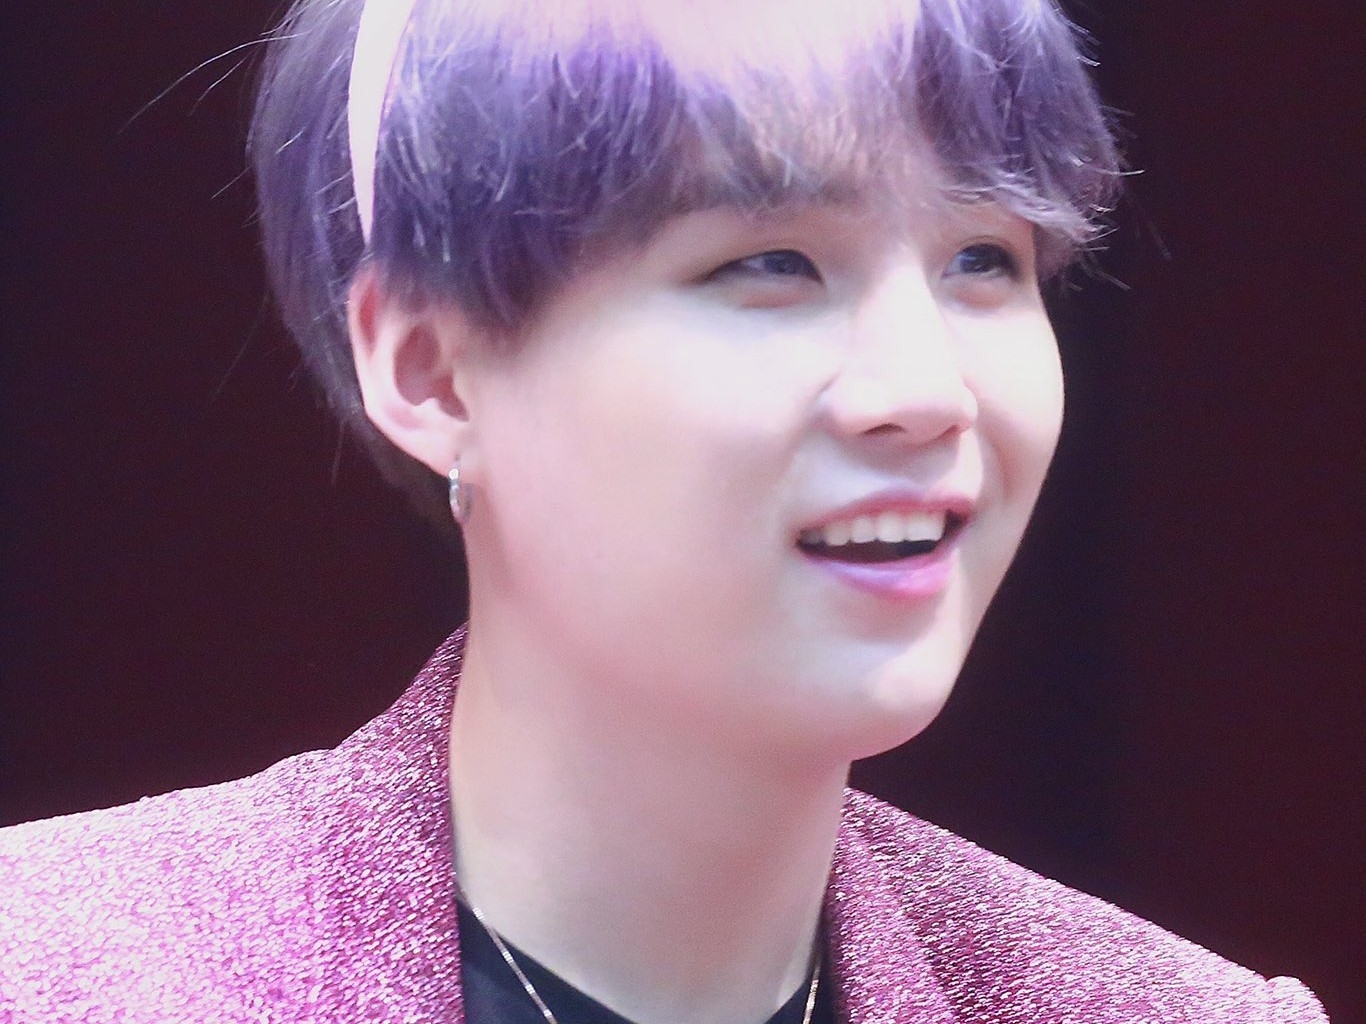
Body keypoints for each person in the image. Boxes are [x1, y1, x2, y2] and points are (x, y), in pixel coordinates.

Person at [0, 0, 1329, 1021]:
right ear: (432, 371)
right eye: (771, 262)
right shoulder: (59, 972)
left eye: (985, 257)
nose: (927, 392)